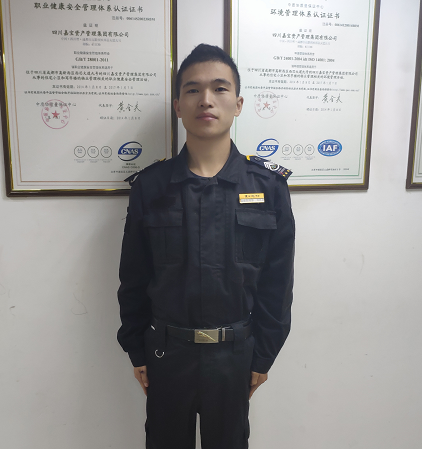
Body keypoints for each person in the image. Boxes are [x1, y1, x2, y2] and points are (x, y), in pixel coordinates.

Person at [117, 44, 295, 449]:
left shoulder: (268, 187)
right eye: (193, 90)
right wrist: (136, 349)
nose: (206, 100)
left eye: (220, 88)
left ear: (238, 103)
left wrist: (264, 355)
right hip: (166, 353)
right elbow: (134, 276)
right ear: (178, 106)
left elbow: (278, 283)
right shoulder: (152, 187)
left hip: (235, 356)